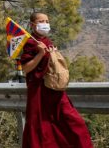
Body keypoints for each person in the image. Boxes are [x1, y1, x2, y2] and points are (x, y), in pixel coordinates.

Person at [20, 12, 93, 148]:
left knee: (74, 122)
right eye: (41, 21)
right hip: (39, 92)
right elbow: (26, 68)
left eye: (47, 21)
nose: (45, 24)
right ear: (32, 25)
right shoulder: (30, 43)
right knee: (41, 128)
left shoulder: (47, 42)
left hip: (55, 90)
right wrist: (41, 53)